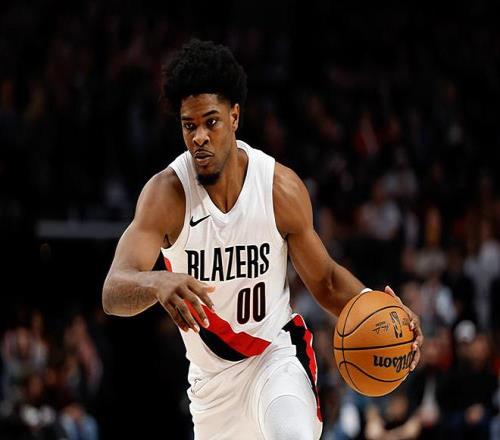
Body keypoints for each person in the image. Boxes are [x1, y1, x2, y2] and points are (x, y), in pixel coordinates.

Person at [102, 39, 423, 440]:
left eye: (211, 122)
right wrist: (156, 282)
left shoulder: (277, 188)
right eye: (189, 125)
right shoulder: (166, 195)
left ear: (234, 116)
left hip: (275, 359)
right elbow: (113, 292)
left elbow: (325, 281)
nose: (199, 136)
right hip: (212, 389)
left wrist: (385, 316)